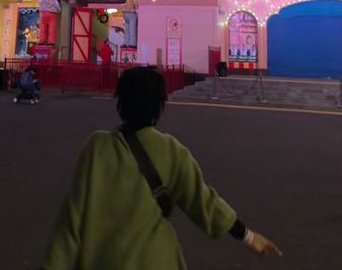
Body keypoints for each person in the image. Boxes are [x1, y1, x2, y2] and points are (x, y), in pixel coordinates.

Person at [39, 67, 282, 269]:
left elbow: (70, 221)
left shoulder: (96, 148)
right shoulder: (172, 151)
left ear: (120, 103)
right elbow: (204, 202)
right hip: (156, 260)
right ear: (159, 105)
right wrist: (248, 236)